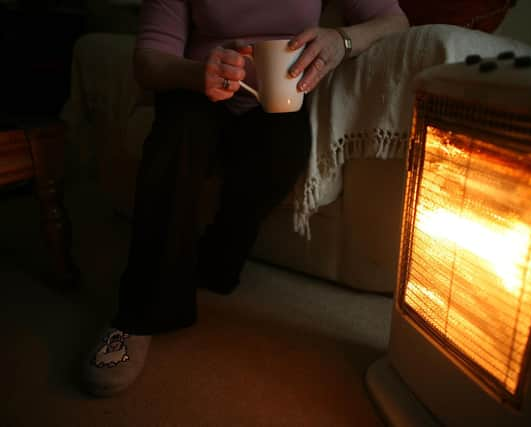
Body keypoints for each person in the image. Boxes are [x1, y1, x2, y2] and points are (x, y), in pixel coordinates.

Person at [81, 0, 409, 397]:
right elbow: (148, 59)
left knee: (285, 146)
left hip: (275, 98)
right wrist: (198, 73)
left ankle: (216, 258)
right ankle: (137, 314)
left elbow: (394, 20)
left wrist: (342, 40)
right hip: (195, 90)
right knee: (178, 133)